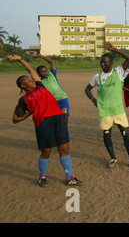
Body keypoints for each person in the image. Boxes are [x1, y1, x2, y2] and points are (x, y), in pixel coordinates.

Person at [9, 54, 82, 187]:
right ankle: (42, 177)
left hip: (58, 119)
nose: (31, 79)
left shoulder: (40, 86)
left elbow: (31, 70)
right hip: (43, 123)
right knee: (46, 151)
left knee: (64, 149)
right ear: (23, 85)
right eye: (28, 80)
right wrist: (27, 114)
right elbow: (15, 119)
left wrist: (21, 60)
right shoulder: (24, 100)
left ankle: (69, 177)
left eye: (31, 79)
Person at [85, 42, 129, 169]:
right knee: (107, 135)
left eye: (105, 62)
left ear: (111, 63)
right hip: (105, 112)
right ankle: (112, 157)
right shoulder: (97, 77)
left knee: (126, 135)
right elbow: (87, 90)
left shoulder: (118, 71)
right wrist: (94, 100)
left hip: (118, 111)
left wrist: (114, 49)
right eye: (101, 62)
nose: (102, 64)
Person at [33, 53, 70, 127]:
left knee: (65, 118)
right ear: (39, 74)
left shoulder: (51, 75)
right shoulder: (40, 83)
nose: (45, 73)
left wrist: (41, 56)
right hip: (51, 103)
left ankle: (65, 135)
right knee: (54, 121)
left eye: (45, 70)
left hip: (62, 100)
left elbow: (52, 62)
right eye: (42, 72)